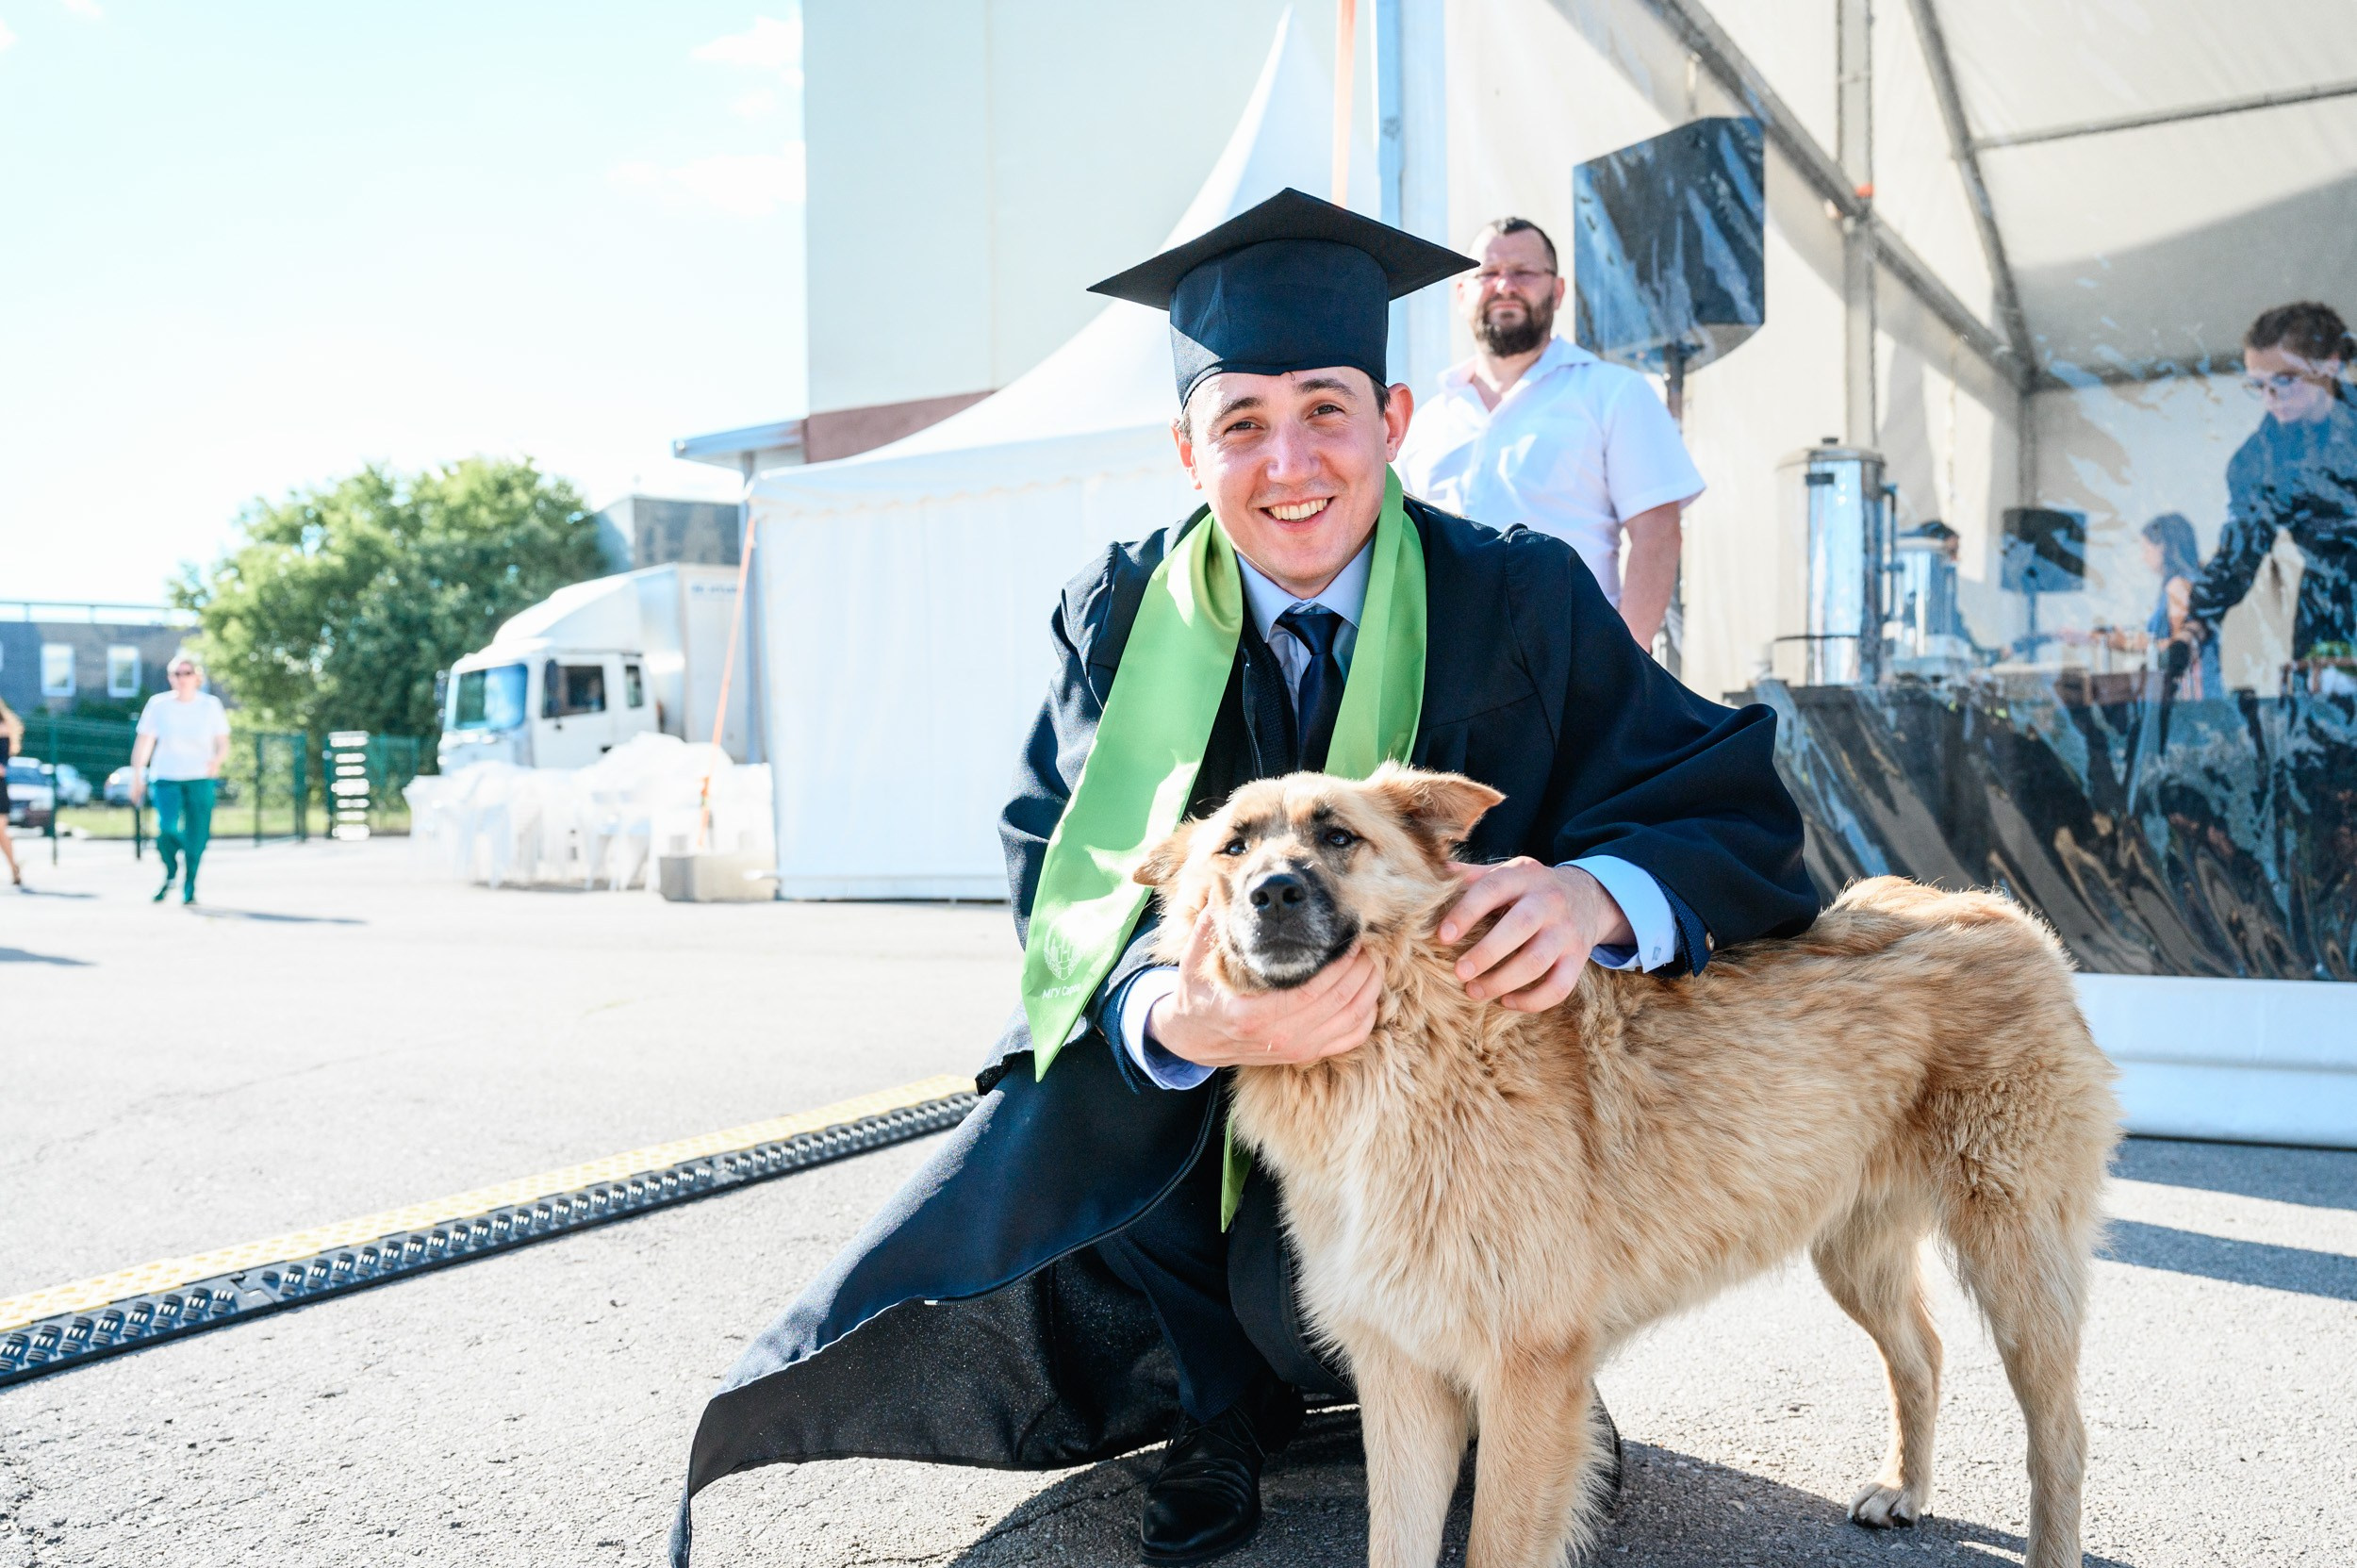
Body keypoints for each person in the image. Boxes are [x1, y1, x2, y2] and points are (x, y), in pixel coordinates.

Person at [668, 190, 1817, 1568]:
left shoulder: (1518, 598)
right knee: (1097, 1083)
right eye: (1243, 423)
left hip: (1459, 1111)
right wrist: (1175, 1012)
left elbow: (1724, 792)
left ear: (1394, 424)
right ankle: (1213, 1407)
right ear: (1185, 448)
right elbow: (1062, 873)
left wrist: (1594, 895)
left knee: (1423, 1222)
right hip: (1223, 1103)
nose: (1291, 463)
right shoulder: (1119, 613)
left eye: (1328, 410)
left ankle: (1529, 1367)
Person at [1394, 216, 1704, 649]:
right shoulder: (1424, 420)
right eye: (1488, 273)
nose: (1504, 286)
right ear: (1461, 293)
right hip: (1448, 676)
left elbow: (1657, 533)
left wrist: (1625, 664)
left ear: (1557, 291)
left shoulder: (1613, 393)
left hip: (1571, 673)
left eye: (1523, 272)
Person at [2187, 302, 2357, 685]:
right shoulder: (2258, 461)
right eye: (2258, 386)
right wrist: (2195, 622)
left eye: (2284, 380)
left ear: (2328, 365)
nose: (2270, 397)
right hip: (2329, 617)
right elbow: (2240, 552)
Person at [2069, 514, 2225, 699]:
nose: (2143, 558)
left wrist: (2129, 642)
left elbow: (2179, 650)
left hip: (2188, 696)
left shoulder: (2179, 585)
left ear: (2163, 548)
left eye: (2146, 550)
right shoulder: (2192, 582)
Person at [130, 656, 231, 905]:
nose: (182, 678)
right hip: (166, 777)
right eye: (177, 673)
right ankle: (172, 870)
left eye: (187, 673)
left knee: (197, 834)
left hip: (200, 778)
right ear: (170, 677)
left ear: (197, 677)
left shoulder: (210, 705)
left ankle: (190, 884)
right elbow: (144, 742)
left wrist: (217, 761)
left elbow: (223, 742)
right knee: (167, 828)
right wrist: (137, 776)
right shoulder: (158, 705)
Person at [0, 695, 24, 888]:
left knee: (0, 831)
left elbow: (2, 768)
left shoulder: (3, 729)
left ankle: (14, 867)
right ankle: (14, 867)